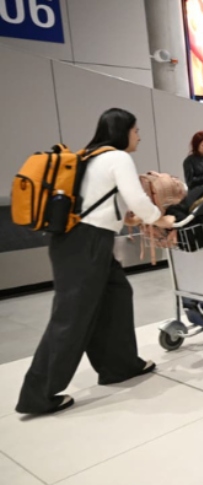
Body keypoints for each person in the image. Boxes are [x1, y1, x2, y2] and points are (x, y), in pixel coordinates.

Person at [16, 108, 175, 415]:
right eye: (136, 130)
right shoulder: (117, 157)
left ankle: (119, 365)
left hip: (81, 241)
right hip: (85, 244)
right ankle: (36, 395)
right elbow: (137, 199)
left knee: (116, 296)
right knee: (71, 316)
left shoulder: (89, 156)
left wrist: (126, 220)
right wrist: (160, 218)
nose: (139, 136)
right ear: (122, 132)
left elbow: (96, 204)